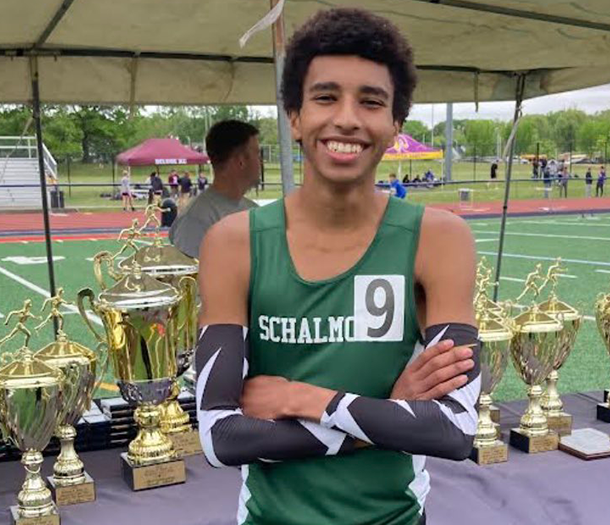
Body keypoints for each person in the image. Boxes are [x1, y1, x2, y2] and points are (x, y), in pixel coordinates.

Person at [195, 9, 479, 525]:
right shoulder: (232, 244)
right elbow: (220, 437)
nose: (347, 117)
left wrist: (303, 398)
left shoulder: (438, 239)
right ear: (295, 116)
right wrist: (382, 413)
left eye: (371, 101)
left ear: (395, 125)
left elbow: (453, 429)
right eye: (326, 97)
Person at [168, 120, 260, 259]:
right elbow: (188, 279)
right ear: (241, 160)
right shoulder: (195, 221)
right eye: (257, 154)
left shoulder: (253, 210)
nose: (261, 162)